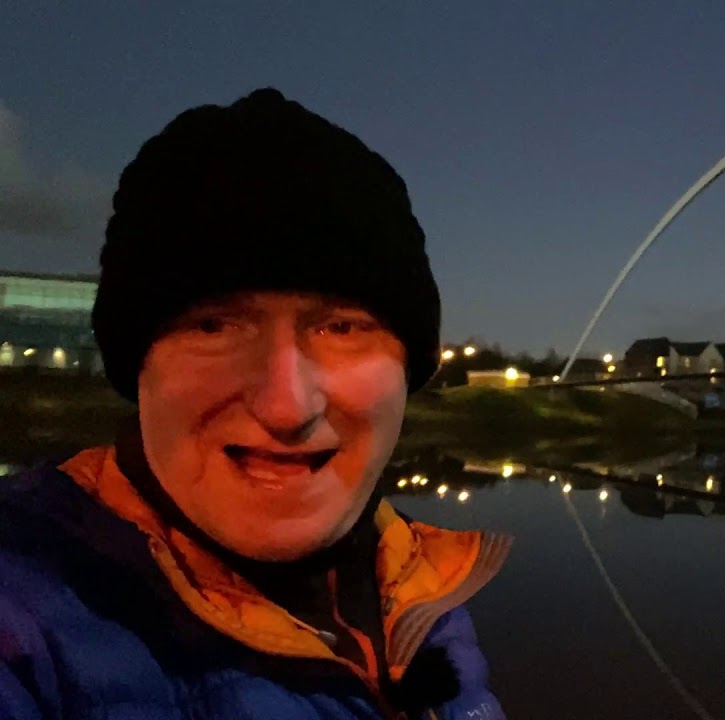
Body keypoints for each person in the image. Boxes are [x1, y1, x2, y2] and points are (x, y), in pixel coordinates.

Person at [0, 88, 510, 720]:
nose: (286, 406)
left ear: (410, 367)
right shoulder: (21, 614)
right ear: (137, 364)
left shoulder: (417, 590)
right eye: (214, 325)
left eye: (342, 327)